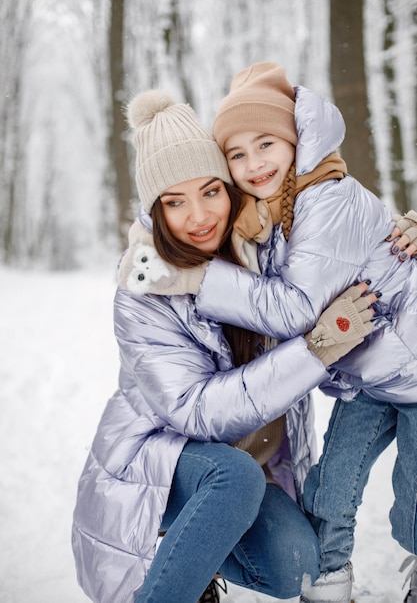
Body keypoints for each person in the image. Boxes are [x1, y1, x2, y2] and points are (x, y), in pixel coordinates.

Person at [118, 63, 417, 602]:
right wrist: (319, 346)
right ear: (155, 212)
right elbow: (200, 411)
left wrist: (409, 226)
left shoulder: (267, 235)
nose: (199, 215)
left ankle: (235, 545)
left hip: (317, 422)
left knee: (303, 558)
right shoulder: (146, 281)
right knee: (253, 480)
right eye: (173, 201)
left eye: (211, 191)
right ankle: (173, 546)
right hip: (171, 462)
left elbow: (346, 246)